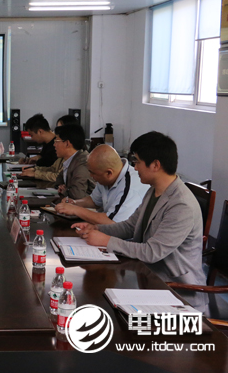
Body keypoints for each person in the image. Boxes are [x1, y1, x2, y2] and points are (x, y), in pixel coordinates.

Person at [73, 132, 206, 307]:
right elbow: (130, 226)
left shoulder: (181, 205)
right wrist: (97, 229)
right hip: (148, 278)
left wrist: (106, 241)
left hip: (177, 292)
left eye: (137, 162)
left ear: (155, 165)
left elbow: (152, 252)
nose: (134, 168)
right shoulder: (154, 190)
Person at [54, 144, 149, 224]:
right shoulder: (106, 177)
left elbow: (113, 222)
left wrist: (76, 210)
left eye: (93, 173)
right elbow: (94, 200)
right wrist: (75, 203)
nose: (91, 176)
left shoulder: (130, 187)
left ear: (109, 173)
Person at [21, 114, 77, 181]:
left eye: (61, 129)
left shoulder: (76, 157)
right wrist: (34, 169)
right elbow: (53, 168)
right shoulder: (61, 153)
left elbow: (58, 176)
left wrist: (35, 173)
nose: (55, 144)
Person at [52, 124, 95, 199]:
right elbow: (59, 181)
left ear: (67, 143)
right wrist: (61, 186)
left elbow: (77, 195)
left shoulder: (82, 163)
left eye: (56, 141)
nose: (54, 145)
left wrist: (65, 191)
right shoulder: (72, 160)